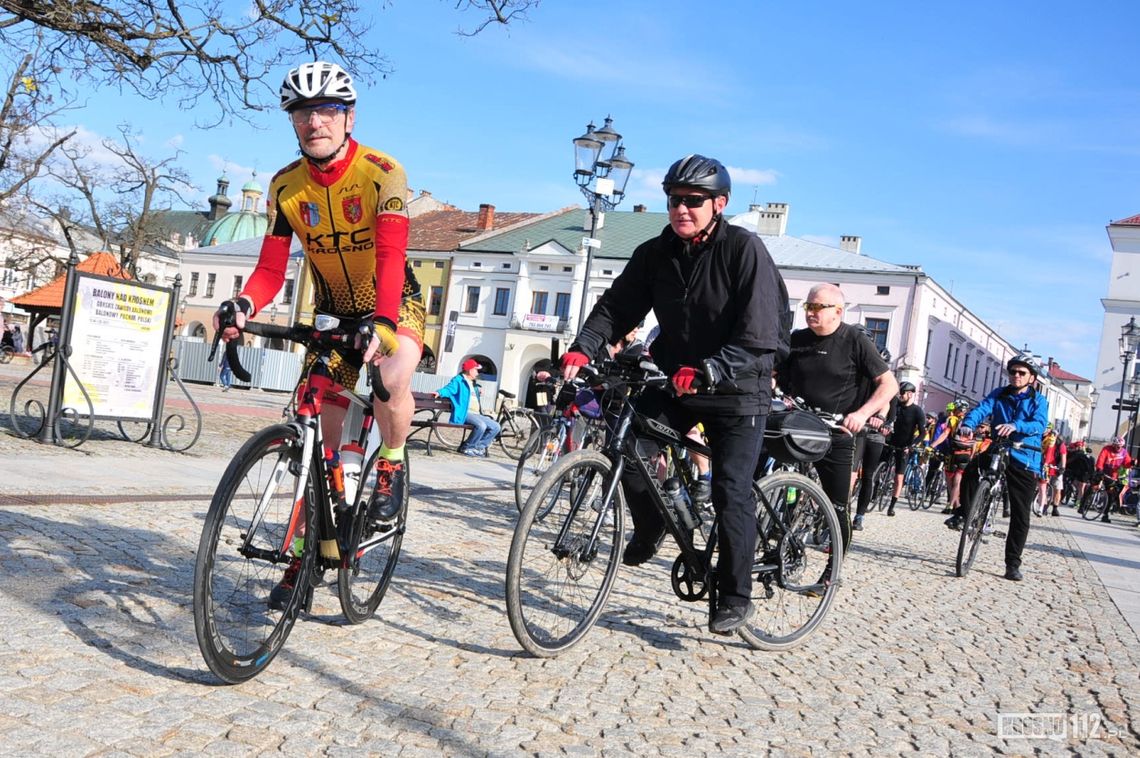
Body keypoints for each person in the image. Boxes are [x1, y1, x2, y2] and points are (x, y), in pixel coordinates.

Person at [214, 61, 426, 601]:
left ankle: (392, 467)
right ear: (293, 121)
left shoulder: (382, 172)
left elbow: (391, 254)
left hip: (393, 302)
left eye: (328, 109)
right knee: (319, 454)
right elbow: (269, 270)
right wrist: (241, 302)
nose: (316, 121)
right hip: (332, 314)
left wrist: (382, 321)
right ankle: (309, 557)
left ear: (348, 116)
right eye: (304, 111)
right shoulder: (286, 186)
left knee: (390, 378)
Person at [560, 154, 789, 635]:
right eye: (673, 200)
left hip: (739, 387)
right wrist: (584, 347)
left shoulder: (743, 251)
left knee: (730, 490)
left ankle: (734, 594)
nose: (681, 209)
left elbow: (760, 333)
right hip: (678, 377)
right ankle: (652, 525)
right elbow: (615, 307)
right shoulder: (655, 253)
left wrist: (712, 368)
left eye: (693, 201)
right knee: (632, 442)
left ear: (719, 204)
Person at [776, 283, 899, 548]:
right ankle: (767, 538)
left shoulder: (856, 341)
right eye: (809, 306)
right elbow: (772, 372)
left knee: (837, 506)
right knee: (769, 479)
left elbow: (889, 385)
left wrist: (862, 414)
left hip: (835, 431)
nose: (811, 312)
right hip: (796, 424)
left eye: (818, 307)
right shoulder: (796, 339)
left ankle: (832, 569)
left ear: (838, 311)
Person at [948, 354, 1048, 582]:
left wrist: (1015, 425)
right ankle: (964, 512)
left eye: (1022, 373)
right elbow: (982, 409)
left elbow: (1039, 424)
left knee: (1021, 514)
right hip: (1000, 448)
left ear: (1031, 377)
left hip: (1025, 455)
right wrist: (968, 425)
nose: (1016, 376)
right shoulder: (999, 394)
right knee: (972, 470)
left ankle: (1012, 563)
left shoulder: (1038, 400)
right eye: (1013, 372)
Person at [849, 335, 894, 531]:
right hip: (858, 428)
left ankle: (859, 516)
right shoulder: (862, 377)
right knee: (850, 472)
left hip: (875, 432)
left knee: (867, 475)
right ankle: (839, 510)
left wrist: (882, 420)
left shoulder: (886, 384)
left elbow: (886, 405)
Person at [434, 358, 501, 457]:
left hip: (477, 414)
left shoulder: (473, 383)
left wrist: (478, 391)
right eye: (476, 370)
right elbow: (449, 389)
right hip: (465, 413)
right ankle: (467, 447)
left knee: (496, 427)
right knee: (481, 426)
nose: (477, 373)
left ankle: (478, 447)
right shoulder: (458, 380)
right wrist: (439, 392)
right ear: (470, 370)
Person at [885, 381, 926, 516]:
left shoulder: (917, 411)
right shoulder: (895, 406)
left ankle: (892, 505)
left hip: (904, 447)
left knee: (898, 477)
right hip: (890, 441)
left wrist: (911, 446)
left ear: (910, 394)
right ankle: (875, 492)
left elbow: (922, 433)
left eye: (902, 393)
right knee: (879, 466)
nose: (900, 396)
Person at [1091, 436, 1133, 523]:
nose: (1119, 447)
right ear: (1113, 445)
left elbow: (1127, 464)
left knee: (1110, 495)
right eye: (1117, 445)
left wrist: (1132, 462)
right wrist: (1099, 468)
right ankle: (1082, 505)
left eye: (1120, 446)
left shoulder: (1124, 452)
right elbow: (1101, 459)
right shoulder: (1107, 449)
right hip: (1102, 471)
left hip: (1112, 475)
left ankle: (1105, 515)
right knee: (1093, 485)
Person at [1035, 426, 1066, 517]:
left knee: (1057, 488)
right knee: (1044, 487)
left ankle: (1055, 508)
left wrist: (1062, 468)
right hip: (1045, 465)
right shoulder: (1044, 440)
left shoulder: (1060, 444)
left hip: (1057, 466)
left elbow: (1063, 456)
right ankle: (1043, 507)